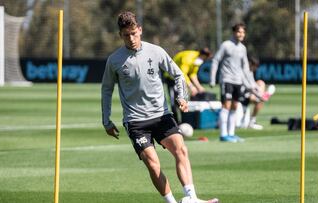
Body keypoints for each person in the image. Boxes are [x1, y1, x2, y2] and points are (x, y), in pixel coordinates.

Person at [101, 11, 218, 203]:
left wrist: (181, 97)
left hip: (162, 115)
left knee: (181, 150)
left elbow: (179, 75)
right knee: (153, 164)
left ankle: (191, 198)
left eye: (133, 33)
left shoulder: (156, 51)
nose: (131, 38)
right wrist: (106, 121)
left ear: (140, 29)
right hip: (136, 121)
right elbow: (106, 90)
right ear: (120, 35)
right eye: (126, 35)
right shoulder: (114, 60)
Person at [209, 23, 262, 142]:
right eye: (239, 32)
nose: (241, 34)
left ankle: (231, 134)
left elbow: (245, 68)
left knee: (235, 106)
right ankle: (223, 134)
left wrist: (252, 85)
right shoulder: (226, 45)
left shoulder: (243, 48)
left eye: (243, 32)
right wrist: (213, 79)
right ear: (234, 33)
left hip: (238, 81)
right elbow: (216, 60)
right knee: (226, 105)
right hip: (227, 79)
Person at [165, 48, 212, 122]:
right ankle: (176, 122)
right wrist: (191, 87)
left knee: (184, 100)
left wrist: (199, 87)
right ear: (202, 55)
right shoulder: (188, 58)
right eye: (205, 58)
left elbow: (193, 74)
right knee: (174, 101)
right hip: (172, 79)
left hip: (182, 80)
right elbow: (182, 74)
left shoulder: (197, 60)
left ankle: (185, 120)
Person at [236, 56, 270, 130]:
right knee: (258, 100)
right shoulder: (243, 71)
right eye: (255, 66)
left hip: (247, 94)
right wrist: (260, 96)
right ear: (250, 64)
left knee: (261, 83)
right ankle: (251, 122)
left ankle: (252, 121)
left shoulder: (250, 72)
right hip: (240, 95)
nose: (256, 69)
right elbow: (248, 87)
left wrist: (260, 94)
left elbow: (253, 84)